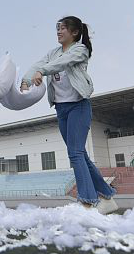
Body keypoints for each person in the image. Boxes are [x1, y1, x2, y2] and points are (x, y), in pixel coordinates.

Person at [22, 17, 119, 213]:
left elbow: (62, 63)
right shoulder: (52, 53)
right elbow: (38, 64)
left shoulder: (80, 50)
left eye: (63, 29)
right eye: (57, 29)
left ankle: (87, 201)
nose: (58, 32)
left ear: (74, 33)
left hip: (78, 106)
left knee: (75, 153)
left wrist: (42, 71)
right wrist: (26, 81)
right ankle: (107, 196)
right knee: (80, 153)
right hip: (61, 108)